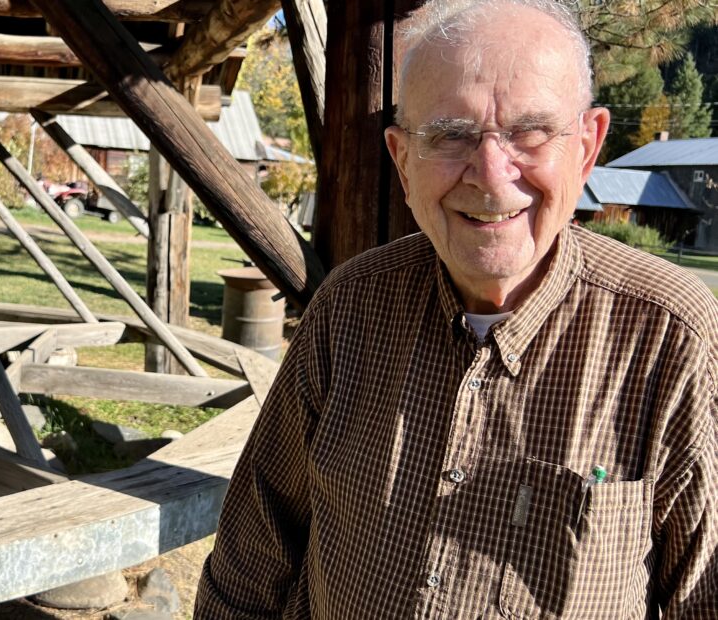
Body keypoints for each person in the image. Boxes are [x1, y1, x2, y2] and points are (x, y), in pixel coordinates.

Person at [195, 1, 716, 617]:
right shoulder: (349, 308)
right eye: (450, 135)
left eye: (530, 130)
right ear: (400, 159)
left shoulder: (669, 335)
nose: (492, 176)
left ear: (587, 146)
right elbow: (249, 563)